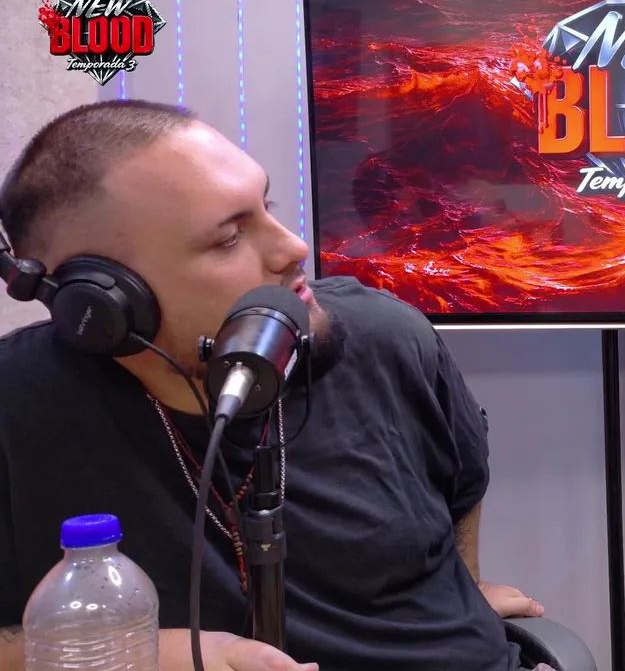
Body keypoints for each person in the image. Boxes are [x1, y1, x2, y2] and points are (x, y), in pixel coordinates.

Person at [0, 100, 551, 671]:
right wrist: (146, 652)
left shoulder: (384, 336)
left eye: (267, 207)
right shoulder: (20, 404)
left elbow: (462, 488)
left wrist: (460, 593)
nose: (293, 248)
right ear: (102, 301)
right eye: (227, 239)